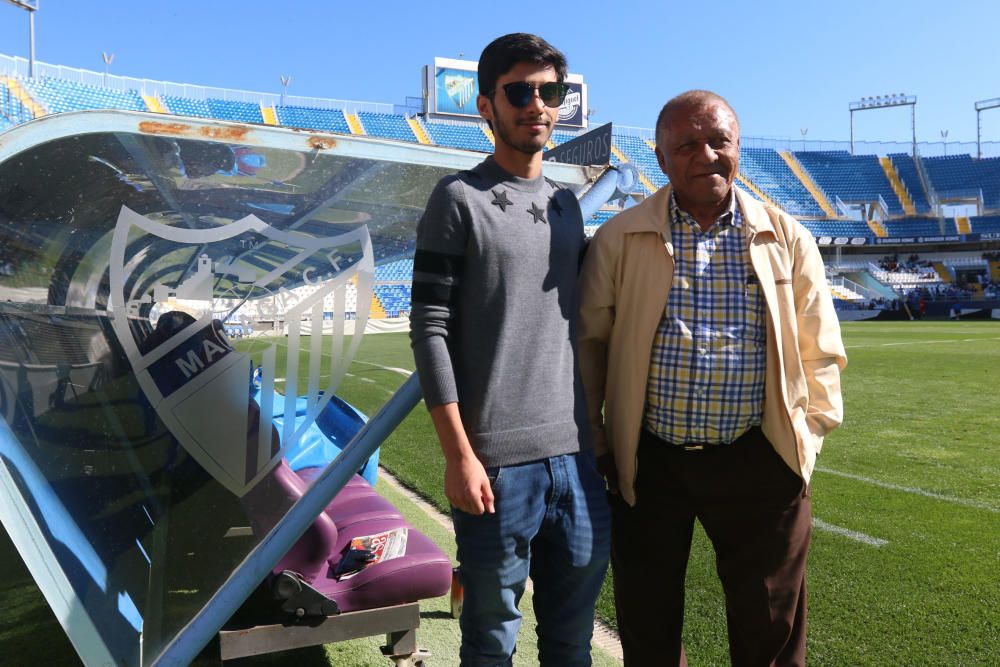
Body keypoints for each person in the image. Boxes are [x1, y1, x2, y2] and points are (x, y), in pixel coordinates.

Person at [578, 90, 847, 666]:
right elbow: (589, 349)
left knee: (770, 629)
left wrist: (805, 442)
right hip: (651, 463)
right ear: (661, 157)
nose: (707, 154)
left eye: (719, 140)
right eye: (687, 144)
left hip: (759, 457)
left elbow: (820, 350)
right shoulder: (618, 238)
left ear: (739, 148)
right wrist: (602, 443)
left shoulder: (786, 237)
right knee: (647, 624)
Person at [409, 33, 610, 666]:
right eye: (518, 91)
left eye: (550, 92)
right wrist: (459, 456)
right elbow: (429, 329)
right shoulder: (457, 199)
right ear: (485, 106)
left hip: (576, 461)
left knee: (571, 644)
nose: (537, 105)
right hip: (496, 467)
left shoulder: (568, 207)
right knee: (491, 643)